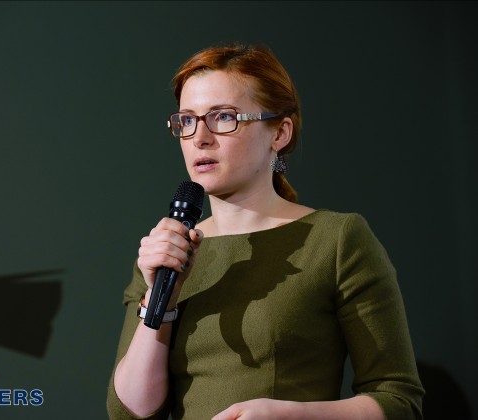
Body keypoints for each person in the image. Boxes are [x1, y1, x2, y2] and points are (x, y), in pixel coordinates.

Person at [106, 43, 424, 419]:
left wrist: (290, 416)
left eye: (223, 117)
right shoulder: (166, 251)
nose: (199, 137)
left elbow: (399, 401)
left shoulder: (336, 239)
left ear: (279, 133)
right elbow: (130, 412)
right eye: (187, 121)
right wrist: (161, 301)